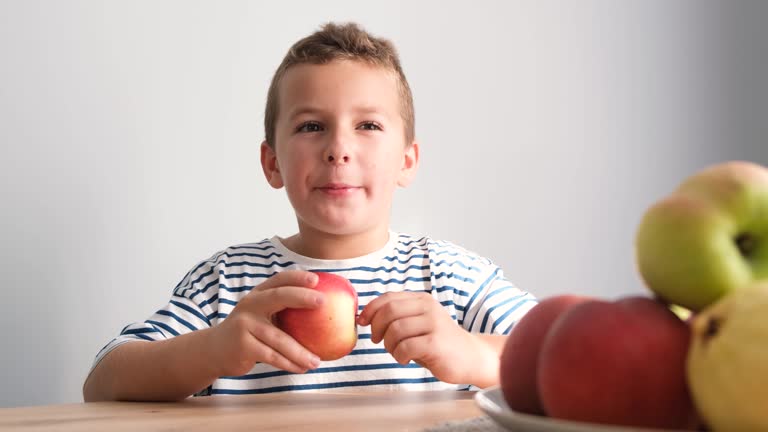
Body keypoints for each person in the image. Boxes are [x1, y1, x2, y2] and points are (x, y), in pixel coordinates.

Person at [83, 22, 537, 402]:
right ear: (272, 162)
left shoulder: (450, 279)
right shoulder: (229, 283)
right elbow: (103, 382)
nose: (339, 148)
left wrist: (474, 353)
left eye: (368, 125)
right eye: (311, 126)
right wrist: (214, 349)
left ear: (407, 160)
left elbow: (552, 357)